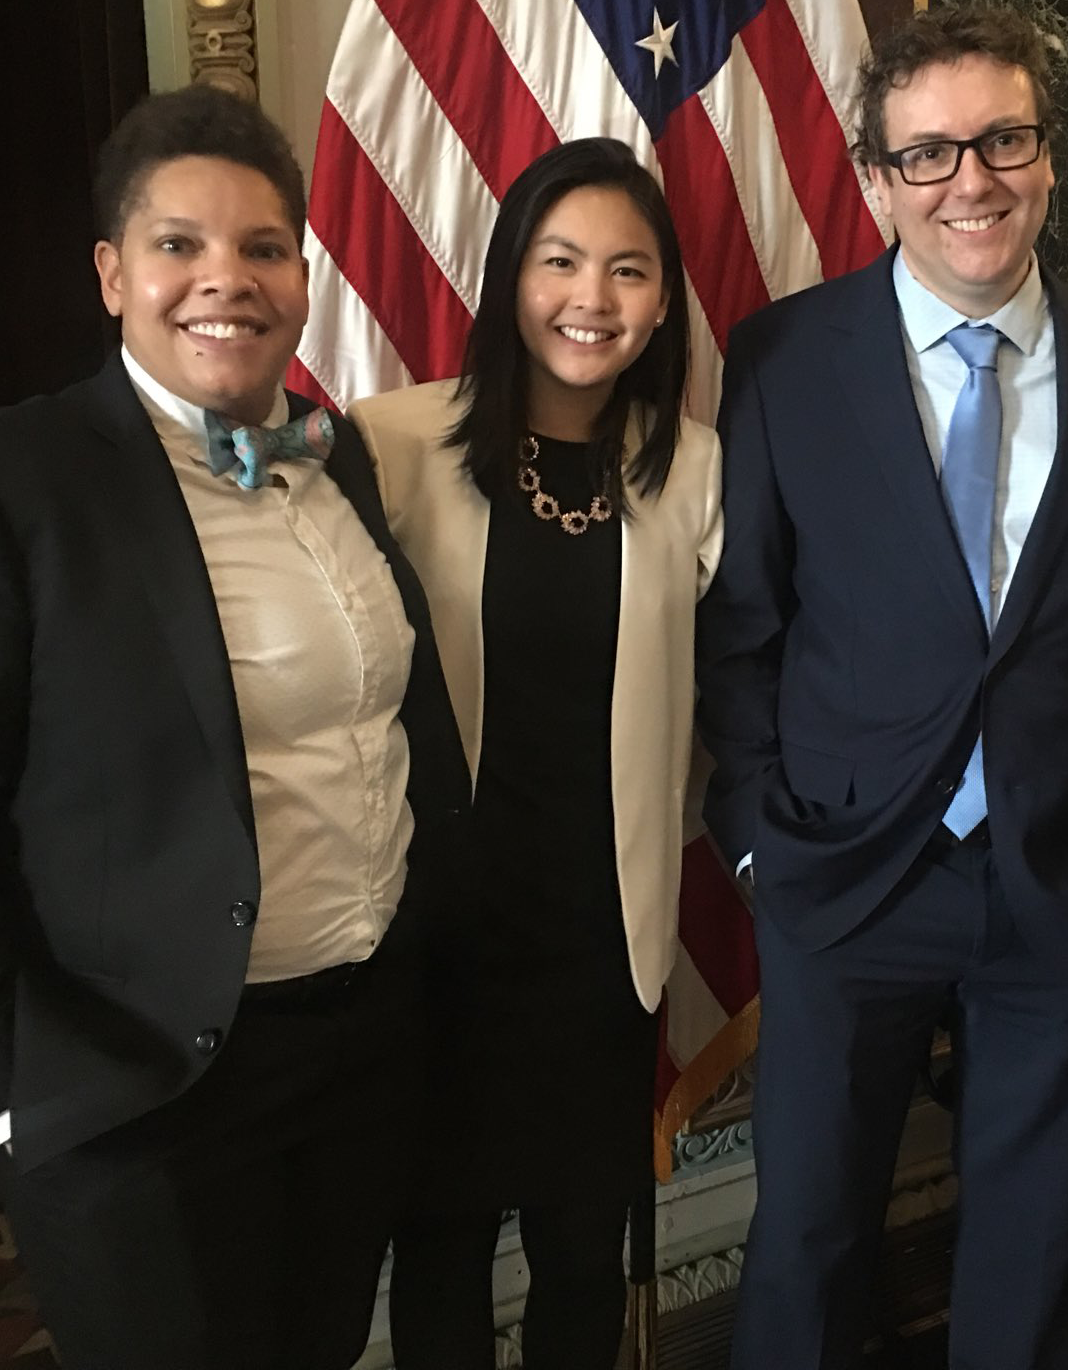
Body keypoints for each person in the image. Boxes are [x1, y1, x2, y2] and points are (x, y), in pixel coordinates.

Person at [0, 84, 471, 1370]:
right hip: (140, 1091)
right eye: (179, 244)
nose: (222, 279)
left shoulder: (335, 462)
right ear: (113, 272)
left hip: (355, 1060)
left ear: (301, 274)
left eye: (262, 247)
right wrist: (9, 1095)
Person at [696, 3, 1068, 1369]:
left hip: (1058, 876)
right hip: (847, 873)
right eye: (927, 154)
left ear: (1047, 160)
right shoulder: (785, 360)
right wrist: (756, 840)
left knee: (1031, 1242)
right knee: (809, 1235)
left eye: (1001, 141)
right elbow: (746, 626)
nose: (969, 181)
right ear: (875, 181)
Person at [347, 136, 721, 1370]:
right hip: (442, 933)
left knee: (580, 1258)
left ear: (662, 299)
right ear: (512, 275)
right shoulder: (391, 444)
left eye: (626, 271)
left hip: (599, 938)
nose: (590, 299)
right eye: (560, 262)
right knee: (441, 1256)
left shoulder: (693, 464)